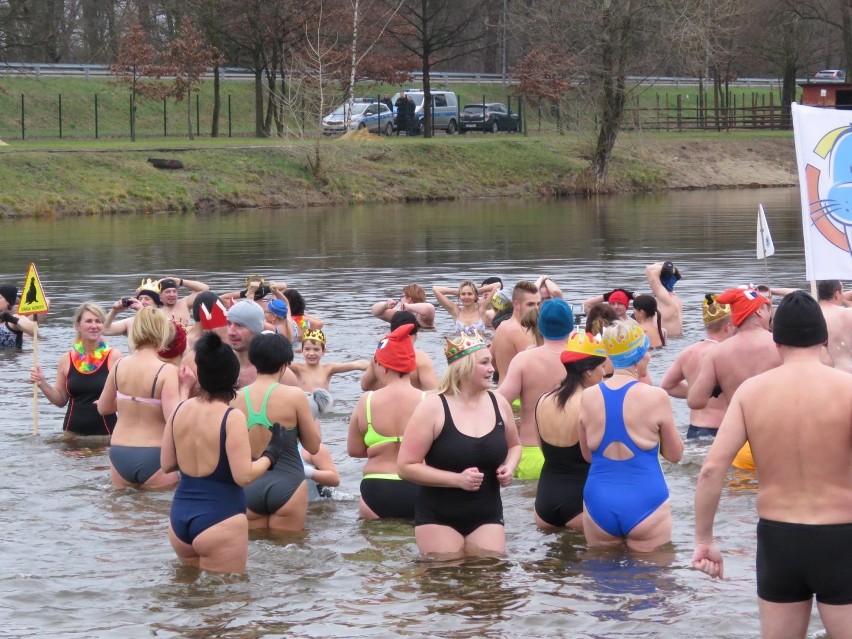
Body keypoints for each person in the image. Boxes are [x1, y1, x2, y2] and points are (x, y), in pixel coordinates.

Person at [692, 291, 852, 639]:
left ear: (776, 340)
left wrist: (704, 539)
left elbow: (711, 469)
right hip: (841, 537)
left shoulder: (751, 392)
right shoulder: (848, 388)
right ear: (823, 338)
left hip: (779, 540)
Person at [161, 332, 287, 574]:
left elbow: (166, 464)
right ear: (233, 376)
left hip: (179, 520)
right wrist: (271, 454)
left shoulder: (179, 410)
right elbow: (244, 476)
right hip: (220, 518)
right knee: (227, 602)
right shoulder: (231, 417)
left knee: (190, 598)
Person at [398, 332, 521, 558]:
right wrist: (456, 480)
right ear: (463, 368)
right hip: (438, 516)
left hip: (488, 512)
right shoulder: (432, 408)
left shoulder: (499, 403)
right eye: (484, 363)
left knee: (491, 580)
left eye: (491, 361)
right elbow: (406, 466)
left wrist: (510, 467)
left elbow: (515, 446)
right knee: (446, 582)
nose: (492, 368)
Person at [579, 320, 683, 551]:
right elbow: (675, 455)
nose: (649, 357)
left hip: (599, 499)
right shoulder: (656, 396)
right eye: (646, 352)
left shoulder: (588, 396)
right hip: (646, 498)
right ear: (637, 356)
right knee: (652, 578)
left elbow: (587, 455)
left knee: (601, 581)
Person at [230, 333, 321, 531]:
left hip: (248, 485)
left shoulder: (235, 399)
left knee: (256, 553)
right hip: (288, 483)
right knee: (288, 555)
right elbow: (313, 447)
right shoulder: (294, 396)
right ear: (284, 365)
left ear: (253, 360)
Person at [687, 287, 780, 469]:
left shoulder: (718, 353)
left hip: (738, 443)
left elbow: (695, 401)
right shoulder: (781, 345)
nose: (770, 313)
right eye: (768, 308)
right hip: (775, 439)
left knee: (737, 491)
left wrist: (718, 385)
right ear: (759, 311)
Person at [97, 307, 180, 489]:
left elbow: (103, 408)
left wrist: (127, 402)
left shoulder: (119, 365)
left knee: (123, 515)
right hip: (155, 454)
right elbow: (174, 419)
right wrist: (188, 388)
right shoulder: (166, 371)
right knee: (154, 513)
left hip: (119, 452)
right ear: (163, 332)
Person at [347, 324, 424, 519]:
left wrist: (381, 448)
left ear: (382, 366)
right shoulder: (428, 400)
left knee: (376, 548)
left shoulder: (367, 400)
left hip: (376, 488)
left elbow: (354, 450)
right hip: (419, 486)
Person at [534, 331, 606, 531]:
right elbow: (597, 456)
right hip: (580, 499)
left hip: (544, 502)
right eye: (602, 367)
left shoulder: (542, 400)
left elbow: (542, 448)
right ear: (588, 371)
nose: (604, 373)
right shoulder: (591, 403)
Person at [497, 298, 576, 480]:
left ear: (539, 326)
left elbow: (498, 402)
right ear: (571, 326)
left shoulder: (523, 360)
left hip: (531, 452)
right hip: (573, 456)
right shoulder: (584, 360)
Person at [30, 302, 122, 437]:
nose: (94, 326)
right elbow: (60, 401)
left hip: (106, 435)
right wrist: (42, 383)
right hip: (72, 435)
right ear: (78, 326)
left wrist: (111, 403)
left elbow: (128, 396)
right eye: (89, 321)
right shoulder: (66, 359)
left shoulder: (114, 357)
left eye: (98, 321)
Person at [659, 294, 733, 439]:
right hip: (721, 429)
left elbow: (666, 386)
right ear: (728, 326)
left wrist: (697, 392)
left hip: (694, 429)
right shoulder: (728, 354)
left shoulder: (689, 352)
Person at [361, 310, 438, 391]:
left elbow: (365, 386)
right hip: (413, 402)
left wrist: (384, 389)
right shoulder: (421, 358)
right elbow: (435, 391)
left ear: (392, 332)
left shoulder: (378, 357)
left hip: (385, 401)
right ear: (416, 335)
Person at [490, 280, 541, 383]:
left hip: (502, 391)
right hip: (517, 396)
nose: (536, 308)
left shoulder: (501, 326)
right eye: (530, 304)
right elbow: (535, 370)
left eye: (538, 304)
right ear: (516, 304)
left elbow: (492, 362)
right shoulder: (520, 331)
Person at [289, 329, 369, 392]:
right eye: (307, 349)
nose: (311, 353)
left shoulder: (328, 369)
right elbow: (278, 362)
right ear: (302, 351)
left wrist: (376, 366)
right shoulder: (297, 368)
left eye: (316, 349)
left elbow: (356, 365)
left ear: (323, 351)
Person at [432, 280, 499, 335]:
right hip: (461, 348)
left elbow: (497, 285)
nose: (466, 297)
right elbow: (435, 289)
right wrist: (457, 292)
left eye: (470, 294)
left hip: (480, 348)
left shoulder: (481, 310)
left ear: (475, 296)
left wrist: (477, 291)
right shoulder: (455, 311)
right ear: (459, 296)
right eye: (463, 294)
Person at [816, 280, 852, 373]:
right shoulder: (849, 314)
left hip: (823, 374)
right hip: (847, 374)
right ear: (837, 295)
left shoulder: (810, 314)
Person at [371, 284, 436, 329]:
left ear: (409, 299)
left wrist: (407, 306)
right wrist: (385, 305)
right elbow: (375, 311)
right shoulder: (401, 315)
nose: (401, 300)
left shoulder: (422, 318)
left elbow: (429, 308)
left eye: (402, 297)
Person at [645, 261, 683, 337]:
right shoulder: (676, 299)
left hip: (665, 345)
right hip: (677, 340)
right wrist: (672, 269)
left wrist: (669, 267)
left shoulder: (664, 300)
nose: (650, 286)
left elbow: (649, 269)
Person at [0, 285, 36, 349]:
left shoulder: (15, 318)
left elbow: (35, 330)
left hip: (10, 356)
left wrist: (12, 319)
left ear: (8, 302)